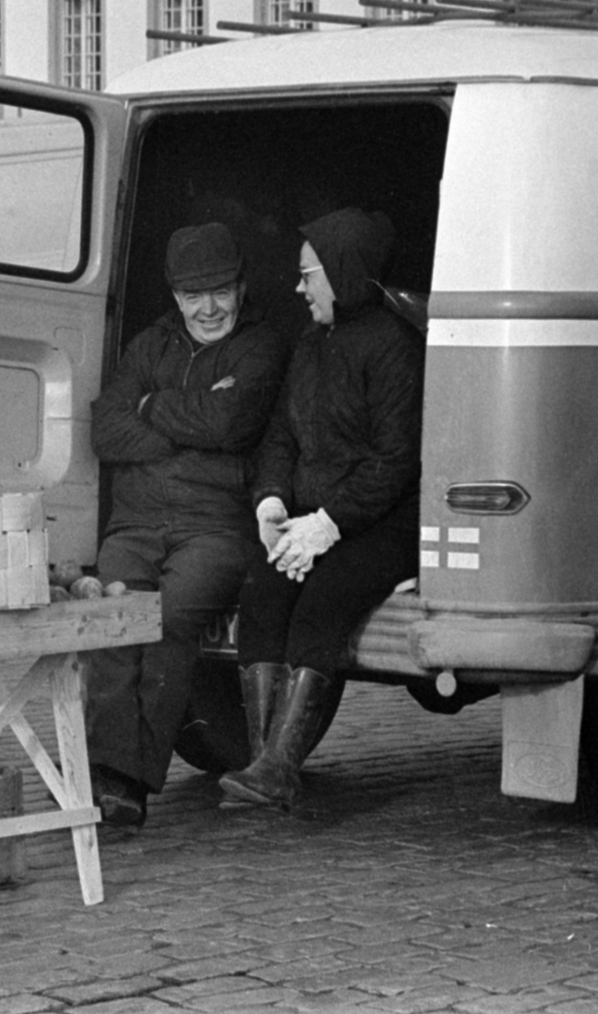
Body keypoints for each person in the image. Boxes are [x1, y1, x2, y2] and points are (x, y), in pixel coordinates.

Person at [85, 222, 289, 829]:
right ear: (175, 296)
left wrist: (151, 406)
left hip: (215, 526)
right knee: (113, 615)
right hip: (137, 521)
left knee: (169, 620)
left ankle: (126, 782)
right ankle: (107, 774)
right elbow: (105, 428)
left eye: (221, 291)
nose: (209, 307)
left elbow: (232, 425)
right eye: (194, 294)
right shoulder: (150, 345)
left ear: (242, 288)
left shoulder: (262, 346)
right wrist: (194, 421)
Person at [219, 207, 424, 810]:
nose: (300, 287)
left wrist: (330, 522)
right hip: (315, 519)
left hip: (381, 523)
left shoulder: (394, 349)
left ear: (344, 273)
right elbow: (282, 435)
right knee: (262, 595)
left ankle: (279, 766)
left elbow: (393, 462)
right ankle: (263, 765)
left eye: (310, 275)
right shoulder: (311, 345)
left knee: (321, 605)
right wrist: (273, 502)